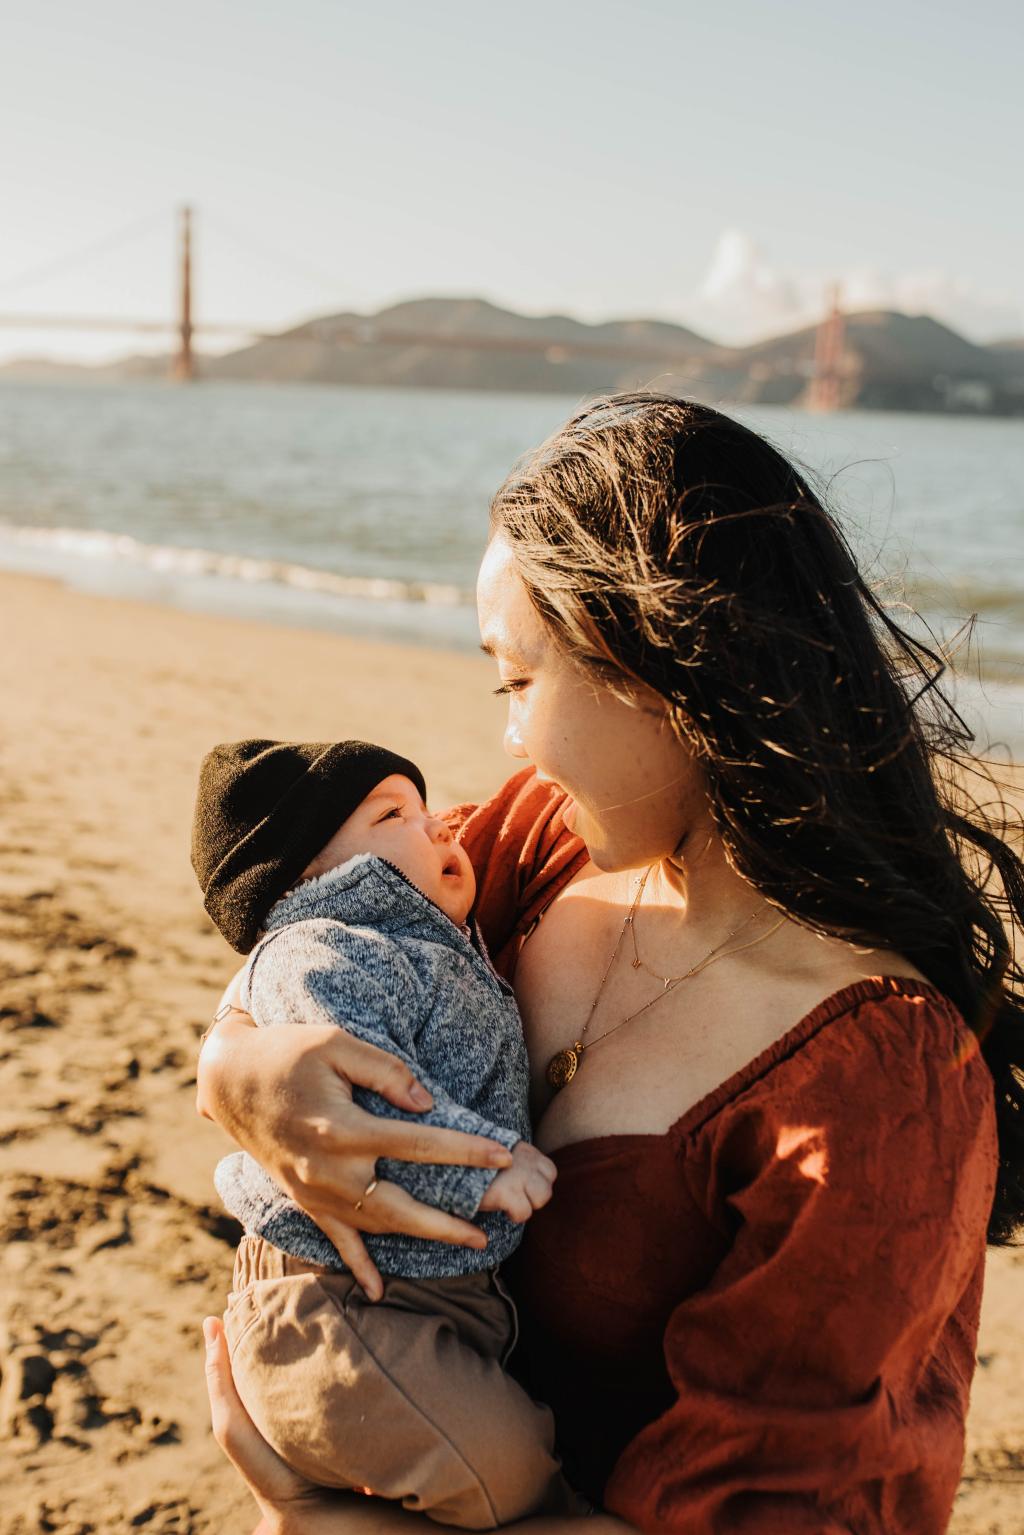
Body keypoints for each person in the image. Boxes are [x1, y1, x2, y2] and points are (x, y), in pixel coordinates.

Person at [197, 394, 1024, 1535]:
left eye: (516, 680)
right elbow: (318, 947)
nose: (508, 738)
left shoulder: (876, 1087)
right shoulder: (531, 846)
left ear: (663, 666)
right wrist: (236, 1065)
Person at [191, 737, 577, 1526]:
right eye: (395, 814)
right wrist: (485, 1170)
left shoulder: (424, 940)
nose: (441, 828)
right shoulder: (323, 953)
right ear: (306, 874)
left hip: (408, 1294)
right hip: (336, 1301)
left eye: (428, 809)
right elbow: (364, 1102)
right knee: (505, 1469)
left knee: (499, 1447)